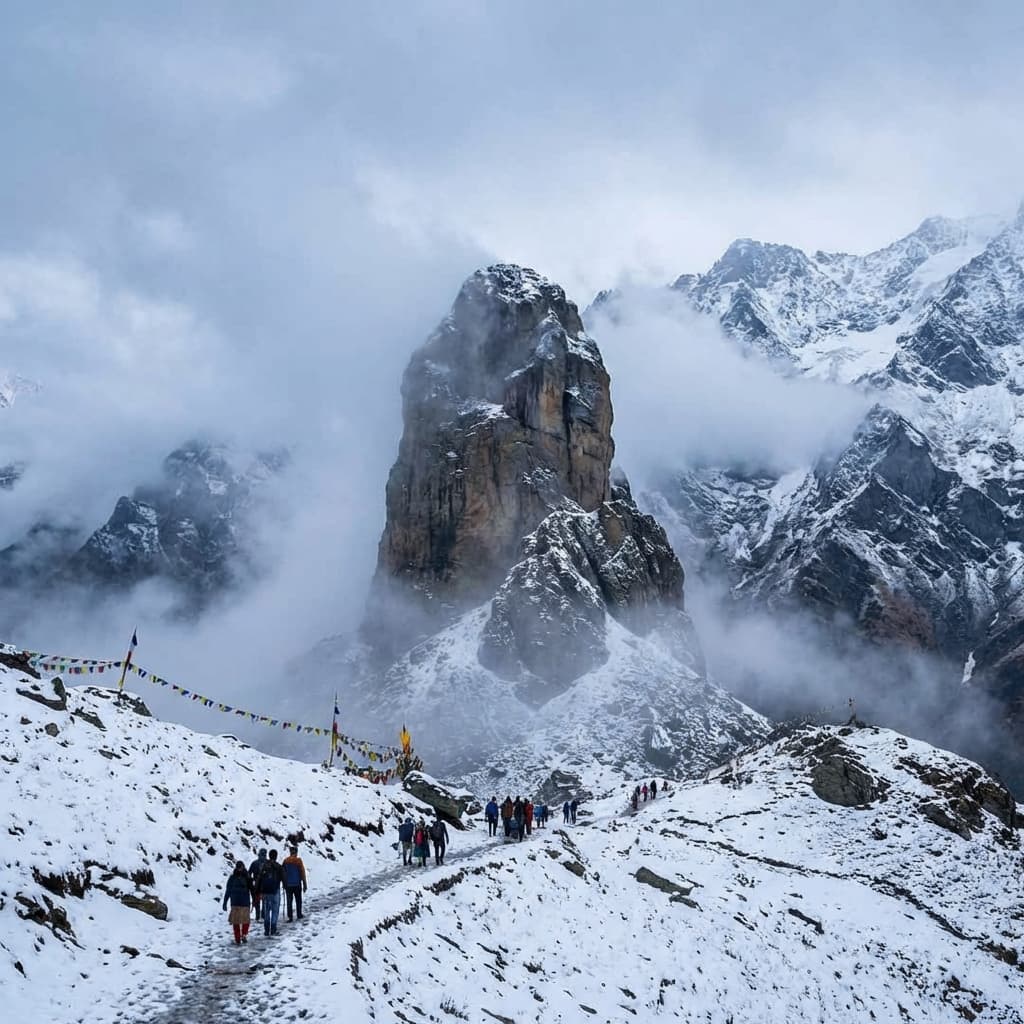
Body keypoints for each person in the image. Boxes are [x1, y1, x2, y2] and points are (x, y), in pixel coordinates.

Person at [222, 860, 254, 945]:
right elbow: (252, 889)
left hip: (235, 902)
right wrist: (254, 900)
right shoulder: (247, 877)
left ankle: (237, 939)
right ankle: (243, 934)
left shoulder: (232, 878)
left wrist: (225, 902)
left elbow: (228, 890)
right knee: (245, 921)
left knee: (236, 922)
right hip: (245, 902)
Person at [258, 849, 285, 936]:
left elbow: (259, 878)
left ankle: (266, 930)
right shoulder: (278, 866)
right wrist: (285, 886)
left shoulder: (264, 866)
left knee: (266, 911)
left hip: (265, 892)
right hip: (275, 891)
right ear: (276, 856)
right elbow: (283, 878)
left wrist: (258, 891)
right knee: (275, 911)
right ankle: (273, 929)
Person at [282, 845, 307, 921]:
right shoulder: (298, 861)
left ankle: (290, 916)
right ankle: (299, 914)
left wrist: (283, 883)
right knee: (298, 900)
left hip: (288, 885)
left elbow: (282, 872)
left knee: (289, 901)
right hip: (297, 884)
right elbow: (302, 872)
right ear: (296, 852)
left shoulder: (285, 861)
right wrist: (305, 884)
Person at [248, 848, 267, 922]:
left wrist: (252, 880)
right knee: (264, 901)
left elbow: (249, 873)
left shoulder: (254, 863)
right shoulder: (267, 863)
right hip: (265, 885)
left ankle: (257, 916)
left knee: (257, 901)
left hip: (256, 885)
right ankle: (263, 915)